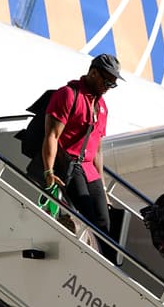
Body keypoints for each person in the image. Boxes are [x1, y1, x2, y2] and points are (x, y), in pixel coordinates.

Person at [34, 53, 121, 238]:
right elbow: (52, 135)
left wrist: (104, 189)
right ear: (94, 73)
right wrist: (48, 172)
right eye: (107, 82)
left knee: (104, 221)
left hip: (90, 170)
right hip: (70, 165)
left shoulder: (102, 106)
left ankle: (108, 262)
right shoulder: (68, 94)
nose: (108, 88)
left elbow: (97, 149)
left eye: (113, 84)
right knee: (87, 215)